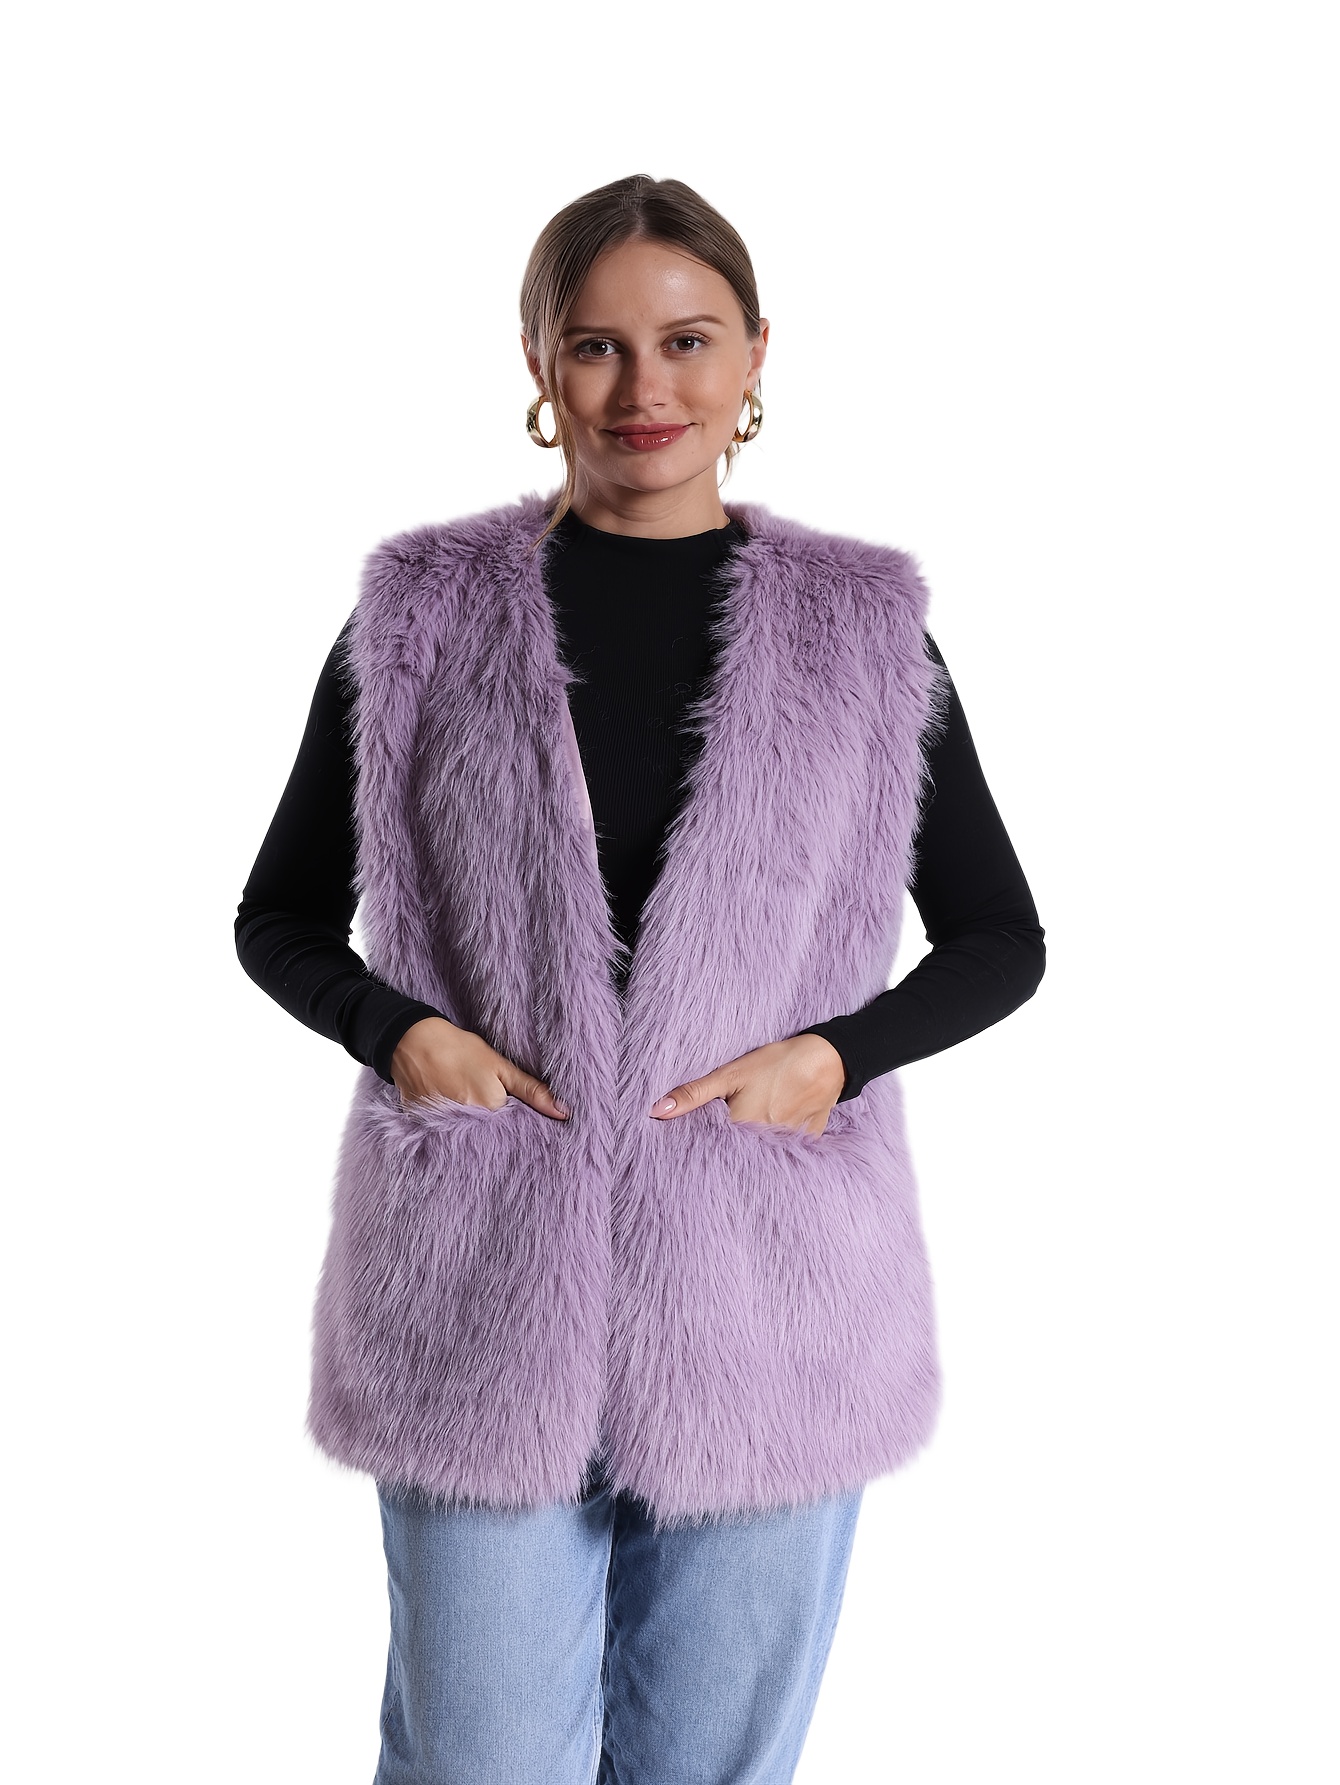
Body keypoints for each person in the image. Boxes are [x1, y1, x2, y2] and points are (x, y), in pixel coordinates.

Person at [236, 174, 1045, 1785]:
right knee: (476, 1759)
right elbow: (282, 914)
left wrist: (832, 1056)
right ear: (540, 362)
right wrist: (402, 1035)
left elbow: (998, 935)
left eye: (686, 339)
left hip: (772, 1294)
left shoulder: (864, 633)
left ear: (756, 354)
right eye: (596, 345)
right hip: (477, 1276)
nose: (643, 387)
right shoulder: (420, 617)